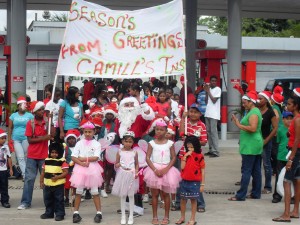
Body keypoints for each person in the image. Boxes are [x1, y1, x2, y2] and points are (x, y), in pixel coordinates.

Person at [143, 120, 181, 225]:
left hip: (167, 170)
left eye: (161, 130)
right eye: (157, 129)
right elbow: (147, 157)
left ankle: (166, 216)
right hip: (153, 170)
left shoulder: (170, 143)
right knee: (154, 194)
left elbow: (173, 158)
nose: (158, 132)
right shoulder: (151, 143)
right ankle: (155, 216)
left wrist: (166, 169)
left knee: (165, 194)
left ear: (166, 131)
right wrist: (154, 169)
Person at [18, 101, 53, 210]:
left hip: (44, 155)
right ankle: (25, 202)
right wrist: (44, 138)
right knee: (29, 179)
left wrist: (51, 122)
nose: (42, 112)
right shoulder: (30, 123)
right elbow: (30, 140)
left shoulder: (47, 121)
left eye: (43, 109)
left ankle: (48, 203)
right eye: (40, 110)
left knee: (46, 180)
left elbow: (53, 134)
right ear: (35, 112)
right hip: (32, 156)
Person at [229, 91, 263, 201]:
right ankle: (255, 193)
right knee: (256, 170)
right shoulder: (253, 111)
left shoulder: (253, 113)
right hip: (253, 144)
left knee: (247, 170)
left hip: (250, 145)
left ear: (251, 102)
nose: (243, 105)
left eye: (245, 103)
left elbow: (253, 128)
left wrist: (238, 124)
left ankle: (241, 195)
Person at [273, 95, 300, 222]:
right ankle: (295, 211)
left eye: (289, 104)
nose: (287, 106)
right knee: (296, 180)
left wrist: (291, 159)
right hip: (296, 153)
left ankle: (286, 214)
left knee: (286, 182)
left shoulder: (297, 119)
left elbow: (297, 140)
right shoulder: (295, 119)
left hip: (295, 153)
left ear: (295, 106)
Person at [70, 121, 104, 223]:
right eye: (86, 132)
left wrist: (82, 159)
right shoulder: (79, 143)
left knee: (95, 191)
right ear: (83, 132)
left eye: (90, 132)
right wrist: (82, 163)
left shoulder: (97, 144)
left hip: (92, 169)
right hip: (80, 169)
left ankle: (99, 213)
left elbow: (96, 157)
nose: (88, 134)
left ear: (94, 132)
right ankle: (76, 213)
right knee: (79, 191)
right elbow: (73, 156)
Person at [178, 104, 207, 213]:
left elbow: (204, 141)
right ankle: (179, 202)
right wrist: (183, 118)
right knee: (181, 179)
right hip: (183, 155)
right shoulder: (185, 123)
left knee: (196, 180)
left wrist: (191, 142)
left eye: (196, 112)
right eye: (191, 111)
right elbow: (180, 133)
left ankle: (200, 203)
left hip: (195, 158)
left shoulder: (202, 125)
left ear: (200, 114)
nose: (193, 114)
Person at [176, 135, 205, 225]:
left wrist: (202, 184)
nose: (190, 149)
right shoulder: (185, 155)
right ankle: (182, 217)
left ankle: (192, 218)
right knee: (183, 199)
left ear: (196, 146)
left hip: (195, 182)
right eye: (188, 147)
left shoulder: (200, 156)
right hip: (184, 180)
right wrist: (185, 156)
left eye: (192, 147)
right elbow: (182, 167)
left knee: (193, 200)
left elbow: (203, 171)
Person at [112, 131, 139, 225]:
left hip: (131, 174)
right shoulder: (119, 152)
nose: (128, 143)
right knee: (123, 195)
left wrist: (136, 171)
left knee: (131, 195)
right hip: (122, 173)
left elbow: (137, 164)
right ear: (123, 141)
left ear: (133, 142)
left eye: (130, 141)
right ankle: (123, 216)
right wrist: (117, 165)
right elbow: (116, 164)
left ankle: (131, 216)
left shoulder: (135, 152)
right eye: (126, 141)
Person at [40, 142, 68, 221]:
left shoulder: (62, 161)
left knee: (59, 200)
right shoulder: (46, 160)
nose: (54, 154)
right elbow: (43, 172)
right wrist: (41, 181)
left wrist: (58, 177)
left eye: (56, 152)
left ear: (60, 153)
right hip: (47, 184)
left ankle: (60, 214)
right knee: (47, 199)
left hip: (58, 185)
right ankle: (49, 213)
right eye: (52, 152)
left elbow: (65, 172)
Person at [8, 96, 34, 178]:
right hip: (16, 139)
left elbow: (33, 127)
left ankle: (27, 172)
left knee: (26, 156)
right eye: (21, 105)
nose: (23, 106)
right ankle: (24, 174)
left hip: (26, 138)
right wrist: (9, 139)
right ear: (18, 106)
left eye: (24, 105)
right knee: (20, 157)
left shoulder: (30, 116)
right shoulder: (13, 116)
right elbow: (10, 128)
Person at [258, 90, 278, 194]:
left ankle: (268, 186)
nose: (258, 100)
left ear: (266, 100)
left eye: (260, 98)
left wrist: (266, 140)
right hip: (256, 141)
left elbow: (275, 128)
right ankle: (257, 185)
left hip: (266, 141)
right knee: (256, 164)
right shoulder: (256, 110)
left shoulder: (270, 112)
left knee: (266, 164)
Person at [272, 111, 293, 203]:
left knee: (291, 177)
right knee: (279, 176)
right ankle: (277, 195)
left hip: (291, 157)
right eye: (286, 118)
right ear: (283, 119)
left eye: (290, 118)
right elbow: (278, 142)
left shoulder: (294, 129)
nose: (289, 121)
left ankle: (292, 196)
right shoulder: (280, 130)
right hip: (281, 156)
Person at [204, 75, 221, 157]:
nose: (213, 82)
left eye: (214, 81)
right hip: (208, 113)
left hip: (214, 114)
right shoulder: (209, 89)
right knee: (208, 132)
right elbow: (206, 100)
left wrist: (208, 91)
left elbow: (214, 100)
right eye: (212, 81)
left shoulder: (218, 89)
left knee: (214, 132)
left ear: (216, 82)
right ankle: (211, 149)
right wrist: (206, 91)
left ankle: (216, 151)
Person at [63, 129, 81, 207]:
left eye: (73, 138)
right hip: (68, 170)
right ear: (67, 140)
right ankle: (66, 198)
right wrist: (66, 163)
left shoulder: (78, 148)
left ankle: (73, 199)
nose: (71, 140)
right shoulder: (65, 149)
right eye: (69, 139)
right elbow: (63, 158)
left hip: (76, 169)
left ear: (76, 139)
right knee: (67, 185)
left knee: (74, 186)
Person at [0, 129, 13, 208]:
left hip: (4, 170)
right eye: (2, 138)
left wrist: (11, 168)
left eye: (5, 138)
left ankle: (5, 201)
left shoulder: (6, 147)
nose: (4, 140)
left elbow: (9, 158)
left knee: (4, 186)